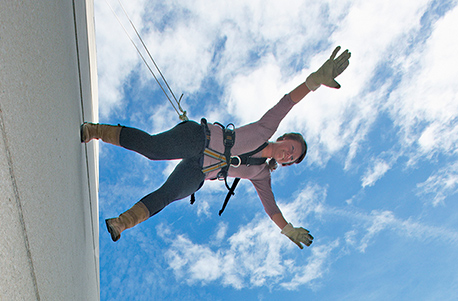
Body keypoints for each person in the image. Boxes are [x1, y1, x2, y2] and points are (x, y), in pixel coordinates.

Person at [81, 46, 351, 249]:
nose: (289, 153)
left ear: (287, 163)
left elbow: (271, 209)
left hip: (201, 172)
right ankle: (97, 131)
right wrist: (315, 81)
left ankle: (121, 222)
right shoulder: (266, 129)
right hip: (198, 138)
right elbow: (287, 101)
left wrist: (288, 229)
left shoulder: (261, 175)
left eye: (292, 158)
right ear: (283, 138)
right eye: (291, 147)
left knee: (169, 194)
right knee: (154, 150)